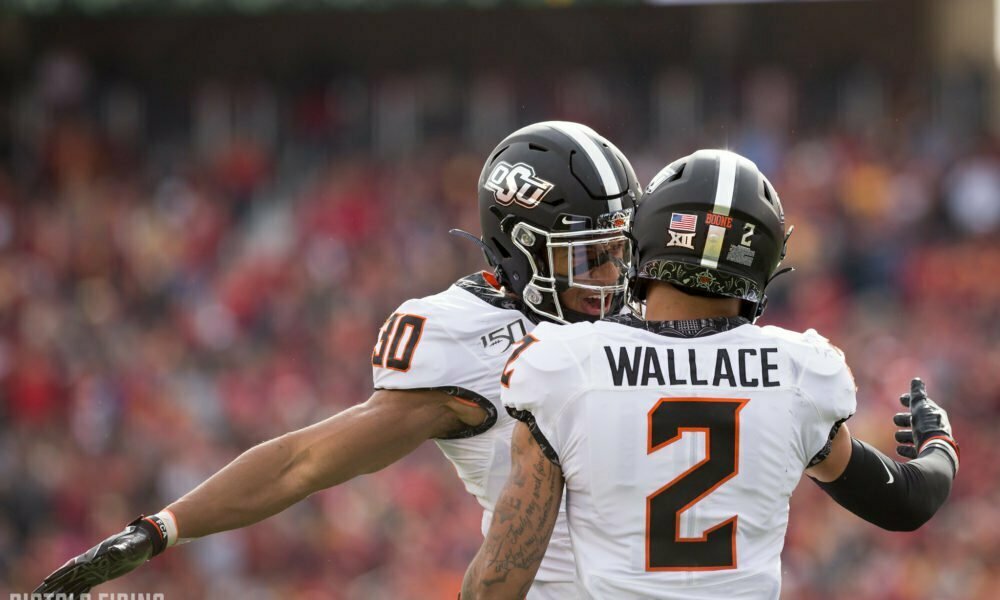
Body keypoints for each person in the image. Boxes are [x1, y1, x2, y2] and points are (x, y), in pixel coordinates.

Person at [33, 121, 641, 598]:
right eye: (589, 257)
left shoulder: (652, 307)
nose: (613, 277)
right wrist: (161, 528)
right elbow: (301, 463)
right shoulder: (467, 340)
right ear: (520, 249)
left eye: (620, 252)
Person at [461, 149, 960, 600]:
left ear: (644, 239)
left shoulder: (568, 365)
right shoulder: (799, 374)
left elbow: (498, 583)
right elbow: (906, 501)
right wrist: (939, 441)